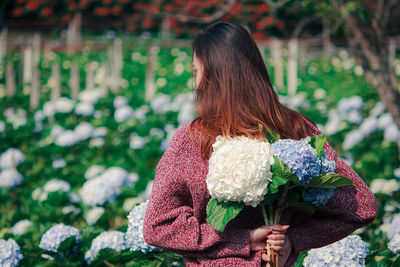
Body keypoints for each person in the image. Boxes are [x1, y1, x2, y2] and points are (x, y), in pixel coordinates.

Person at [143, 21, 378, 267]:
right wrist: (291, 240)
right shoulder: (296, 129)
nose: (196, 82)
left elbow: (157, 225)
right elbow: (361, 206)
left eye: (196, 72)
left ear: (211, 75)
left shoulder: (194, 139)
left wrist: (241, 240)